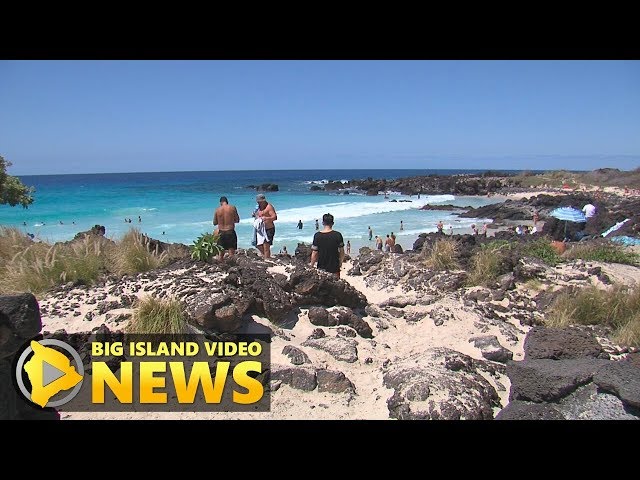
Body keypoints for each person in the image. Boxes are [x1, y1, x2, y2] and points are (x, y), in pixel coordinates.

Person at [310, 213, 345, 279]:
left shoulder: (317, 235)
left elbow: (314, 253)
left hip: (321, 268)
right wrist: (340, 262)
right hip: (334, 267)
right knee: (337, 286)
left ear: (323, 223)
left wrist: (311, 265)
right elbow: (342, 252)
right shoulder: (338, 235)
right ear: (333, 223)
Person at [213, 196, 240, 260]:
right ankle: (232, 266)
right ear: (227, 202)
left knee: (221, 254)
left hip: (221, 233)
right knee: (231, 252)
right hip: (230, 231)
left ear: (220, 203)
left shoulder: (217, 210)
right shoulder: (232, 208)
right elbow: (237, 220)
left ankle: (221, 266)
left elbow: (214, 222)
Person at [254, 193, 277, 258]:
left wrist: (267, 218)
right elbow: (257, 215)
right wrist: (254, 215)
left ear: (263, 201)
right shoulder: (258, 207)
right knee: (257, 245)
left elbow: (275, 217)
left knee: (266, 246)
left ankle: (267, 259)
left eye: (260, 202)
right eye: (258, 202)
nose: (259, 203)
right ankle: (267, 257)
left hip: (269, 229)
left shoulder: (269, 207)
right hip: (260, 230)